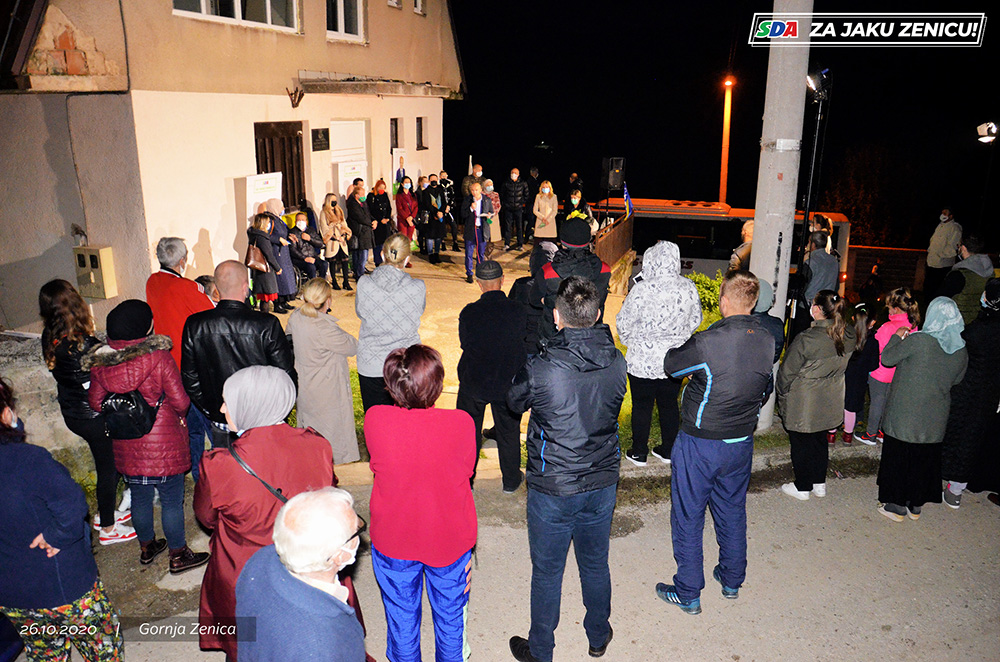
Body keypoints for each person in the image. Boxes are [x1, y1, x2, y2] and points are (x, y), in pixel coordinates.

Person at [506, 277, 626, 662]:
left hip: (553, 485)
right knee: (595, 562)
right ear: (597, 314)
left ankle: (541, 650)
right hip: (602, 480)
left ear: (556, 316)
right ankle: (598, 635)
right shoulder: (617, 361)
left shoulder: (542, 367)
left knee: (547, 571)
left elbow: (514, 401)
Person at [195, 366, 341, 659]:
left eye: (228, 401)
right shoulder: (318, 445)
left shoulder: (220, 463)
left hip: (247, 573)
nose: (222, 408)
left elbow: (206, 517)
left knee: (253, 648)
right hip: (310, 568)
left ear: (252, 405)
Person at [655, 271, 774, 616]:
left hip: (701, 442)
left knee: (689, 515)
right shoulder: (767, 340)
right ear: (753, 303)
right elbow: (764, 386)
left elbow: (671, 365)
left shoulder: (708, 341)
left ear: (723, 302)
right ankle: (732, 579)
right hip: (740, 441)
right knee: (732, 509)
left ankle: (688, 592)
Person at [365, 345, 477, 662]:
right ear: (438, 384)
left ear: (392, 385)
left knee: (401, 620)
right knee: (451, 619)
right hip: (449, 538)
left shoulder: (376, 419)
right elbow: (467, 471)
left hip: (394, 538)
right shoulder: (461, 423)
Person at [0, 377, 125, 661]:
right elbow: (71, 503)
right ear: (6, 413)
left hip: (13, 594)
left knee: (46, 654)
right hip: (64, 586)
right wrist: (57, 536)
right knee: (104, 648)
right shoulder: (29, 460)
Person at [85, 300, 209, 574]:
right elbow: (181, 401)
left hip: (127, 442)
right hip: (164, 442)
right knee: (171, 500)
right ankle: (178, 554)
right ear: (144, 327)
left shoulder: (101, 363)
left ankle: (147, 547)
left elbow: (95, 402)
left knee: (140, 497)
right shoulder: (159, 357)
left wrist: (122, 408)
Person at [38, 279, 134, 545]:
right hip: (94, 417)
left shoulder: (50, 335)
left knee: (107, 464)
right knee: (109, 469)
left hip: (73, 413)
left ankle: (105, 514)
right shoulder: (83, 344)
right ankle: (108, 528)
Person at [236, 488, 368, 662]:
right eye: (356, 531)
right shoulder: (322, 646)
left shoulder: (259, 561)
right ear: (339, 555)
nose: (359, 533)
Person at [182, 260, 297, 448]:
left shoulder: (195, 324)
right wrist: (276, 411)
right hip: (262, 419)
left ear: (216, 289)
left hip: (221, 418)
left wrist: (213, 409)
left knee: (226, 465)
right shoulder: (267, 324)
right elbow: (286, 375)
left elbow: (190, 378)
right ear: (246, 287)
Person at [875, 297, 968, 522]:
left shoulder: (920, 341)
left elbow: (887, 358)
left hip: (906, 412)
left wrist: (897, 337)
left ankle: (896, 506)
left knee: (900, 456)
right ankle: (914, 506)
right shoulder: (961, 350)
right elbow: (957, 380)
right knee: (923, 460)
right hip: (935, 416)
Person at [616, 241, 701, 465]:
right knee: (669, 403)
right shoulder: (688, 287)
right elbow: (695, 319)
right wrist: (679, 338)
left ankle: (639, 452)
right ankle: (669, 450)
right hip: (673, 360)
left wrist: (631, 342)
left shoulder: (641, 289)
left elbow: (623, 322)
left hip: (641, 360)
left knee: (641, 405)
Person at [146, 237, 216, 482]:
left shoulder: (152, 282)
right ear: (182, 260)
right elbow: (212, 316)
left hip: (169, 369)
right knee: (213, 427)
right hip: (193, 368)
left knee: (191, 429)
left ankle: (198, 477)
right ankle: (221, 476)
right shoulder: (187, 287)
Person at [456, 260, 530, 492]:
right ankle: (510, 480)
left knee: (468, 432)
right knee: (508, 432)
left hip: (474, 380)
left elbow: (465, 344)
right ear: (503, 280)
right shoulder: (518, 311)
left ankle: (466, 481)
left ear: (479, 283)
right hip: (507, 381)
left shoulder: (469, 312)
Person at [776, 291, 856, 500]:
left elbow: (787, 372)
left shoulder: (808, 338)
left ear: (818, 310)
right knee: (820, 439)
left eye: (813, 304)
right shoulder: (848, 334)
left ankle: (802, 486)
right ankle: (819, 482)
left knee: (801, 442)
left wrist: (782, 393)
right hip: (831, 396)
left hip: (805, 399)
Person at [941, 278, 1000, 508]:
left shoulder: (978, 331)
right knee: (974, 438)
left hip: (968, 389)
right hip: (990, 394)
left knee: (956, 435)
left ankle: (948, 483)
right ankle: (956, 488)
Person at [287, 279, 360, 464]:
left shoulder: (296, 317)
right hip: (327, 391)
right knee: (329, 438)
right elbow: (352, 346)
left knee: (310, 433)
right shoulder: (325, 328)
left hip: (306, 385)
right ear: (328, 300)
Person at [356, 234, 426, 410]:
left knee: (376, 418)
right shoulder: (417, 287)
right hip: (404, 364)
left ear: (382, 254)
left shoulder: (364, 283)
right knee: (405, 419)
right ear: (407, 259)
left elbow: (360, 312)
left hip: (371, 361)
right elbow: (418, 311)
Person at [854, 287, 920, 445]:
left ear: (895, 308)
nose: (887, 310)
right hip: (898, 372)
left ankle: (870, 434)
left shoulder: (887, 327)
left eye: (888, 307)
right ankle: (882, 432)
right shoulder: (913, 325)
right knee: (888, 402)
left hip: (881, 371)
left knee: (877, 402)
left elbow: (878, 348)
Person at [532, 218, 611, 343]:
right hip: (591, 336)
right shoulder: (604, 269)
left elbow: (534, 300)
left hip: (555, 338)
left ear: (562, 242)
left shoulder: (548, 271)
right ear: (588, 240)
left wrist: (548, 301)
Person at [840, 303, 879, 445]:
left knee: (838, 403)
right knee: (851, 408)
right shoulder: (873, 341)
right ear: (872, 322)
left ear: (853, 318)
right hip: (860, 379)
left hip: (843, 376)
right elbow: (874, 364)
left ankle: (830, 434)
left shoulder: (846, 336)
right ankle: (848, 435)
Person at [791, 231, 839, 341]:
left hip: (807, 307)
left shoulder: (810, 262)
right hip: (827, 306)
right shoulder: (834, 261)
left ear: (812, 244)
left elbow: (802, 286)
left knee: (801, 338)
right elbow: (836, 286)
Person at [937, 233, 993, 323]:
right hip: (982, 322)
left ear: (963, 248)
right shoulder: (990, 271)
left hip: (959, 323)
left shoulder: (959, 274)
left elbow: (940, 299)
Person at [264, 198, 297, 312]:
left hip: (283, 252)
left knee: (286, 277)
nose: (283, 209)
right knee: (280, 278)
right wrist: (278, 239)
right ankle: (277, 304)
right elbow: (266, 235)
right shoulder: (269, 219)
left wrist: (289, 237)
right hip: (276, 252)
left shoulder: (278, 219)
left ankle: (284, 301)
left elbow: (283, 232)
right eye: (281, 206)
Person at [247, 212, 282, 313]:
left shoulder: (253, 234)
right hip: (265, 270)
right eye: (267, 222)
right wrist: (277, 268)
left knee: (263, 297)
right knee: (266, 297)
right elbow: (269, 255)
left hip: (258, 268)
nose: (268, 224)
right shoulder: (262, 237)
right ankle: (264, 317)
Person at [460, 182, 494, 284]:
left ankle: (479, 272)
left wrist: (489, 215)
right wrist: (471, 208)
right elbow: (463, 214)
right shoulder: (467, 200)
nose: (474, 192)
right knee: (469, 253)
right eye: (472, 190)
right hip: (471, 229)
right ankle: (469, 273)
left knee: (481, 253)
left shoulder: (487, 200)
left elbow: (491, 212)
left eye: (476, 190)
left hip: (482, 230)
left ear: (481, 190)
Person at [925, 208, 962, 298]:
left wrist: (940, 255)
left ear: (951, 216)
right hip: (931, 262)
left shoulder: (954, 228)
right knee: (928, 288)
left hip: (942, 265)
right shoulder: (940, 226)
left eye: (945, 213)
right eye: (942, 213)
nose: (942, 215)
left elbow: (953, 247)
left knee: (938, 290)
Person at [320, 193, 354, 290]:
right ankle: (334, 281)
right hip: (332, 241)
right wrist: (334, 235)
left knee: (345, 260)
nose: (334, 202)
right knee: (333, 261)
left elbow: (344, 224)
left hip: (341, 240)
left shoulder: (339, 211)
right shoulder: (324, 213)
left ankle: (346, 281)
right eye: (332, 200)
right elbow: (324, 228)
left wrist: (344, 234)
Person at [346, 178, 376, 280]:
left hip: (365, 232)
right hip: (359, 232)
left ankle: (359, 272)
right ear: (356, 196)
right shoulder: (353, 204)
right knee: (361, 256)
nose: (364, 196)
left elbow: (368, 214)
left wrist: (374, 220)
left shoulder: (364, 203)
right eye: (362, 195)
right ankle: (359, 274)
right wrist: (371, 223)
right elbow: (361, 217)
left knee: (363, 255)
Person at [289, 211, 329, 281]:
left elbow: (320, 243)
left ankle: (321, 282)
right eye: (299, 220)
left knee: (324, 264)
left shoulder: (311, 230)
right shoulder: (292, 233)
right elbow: (293, 250)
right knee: (311, 267)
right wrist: (304, 258)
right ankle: (312, 284)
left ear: (306, 222)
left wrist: (310, 239)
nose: (301, 222)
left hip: (313, 256)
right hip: (300, 259)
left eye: (303, 220)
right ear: (295, 222)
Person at [420, 173, 448, 263]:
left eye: (435, 180)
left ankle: (436, 254)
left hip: (440, 216)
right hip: (431, 217)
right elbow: (427, 205)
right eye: (432, 180)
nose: (434, 181)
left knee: (438, 236)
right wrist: (436, 213)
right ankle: (430, 255)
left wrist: (441, 212)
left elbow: (444, 202)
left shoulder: (440, 190)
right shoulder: (425, 192)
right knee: (430, 237)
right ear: (429, 181)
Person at [500, 168, 530, 251]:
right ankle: (507, 244)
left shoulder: (523, 183)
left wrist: (521, 203)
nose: (513, 174)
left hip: (518, 208)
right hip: (508, 208)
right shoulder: (506, 183)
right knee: (508, 227)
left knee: (519, 227)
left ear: (518, 174)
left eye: (515, 173)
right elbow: (502, 194)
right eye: (512, 172)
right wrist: (505, 204)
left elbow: (526, 195)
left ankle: (520, 244)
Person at [367, 179, 394, 267]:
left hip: (385, 223)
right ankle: (378, 262)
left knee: (386, 243)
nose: (382, 189)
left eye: (383, 188)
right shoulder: (371, 196)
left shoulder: (385, 195)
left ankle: (386, 260)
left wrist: (387, 218)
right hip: (377, 224)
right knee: (378, 244)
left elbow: (389, 208)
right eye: (380, 187)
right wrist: (380, 219)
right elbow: (371, 210)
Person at [440, 170, 461, 251]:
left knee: (453, 225)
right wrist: (443, 208)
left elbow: (453, 197)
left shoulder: (450, 186)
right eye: (442, 176)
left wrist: (449, 206)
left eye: (445, 175)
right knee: (442, 226)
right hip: (442, 209)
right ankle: (442, 243)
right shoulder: (439, 186)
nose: (444, 177)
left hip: (450, 210)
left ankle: (455, 243)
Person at [394, 175, 419, 244]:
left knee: (409, 239)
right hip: (403, 220)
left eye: (409, 182)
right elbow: (399, 209)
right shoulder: (399, 195)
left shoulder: (413, 195)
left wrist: (411, 217)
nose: (408, 184)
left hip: (411, 220)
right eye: (406, 182)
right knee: (403, 239)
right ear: (402, 184)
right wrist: (407, 218)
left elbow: (416, 207)